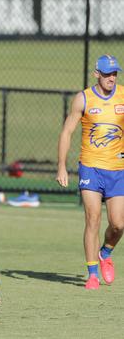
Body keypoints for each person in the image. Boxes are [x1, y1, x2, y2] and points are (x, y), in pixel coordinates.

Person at [56, 54, 124, 290]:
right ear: (97, 74)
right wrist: (62, 166)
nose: (111, 78)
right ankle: (92, 273)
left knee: (118, 224)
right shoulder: (83, 99)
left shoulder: (123, 96)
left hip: (118, 169)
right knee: (93, 218)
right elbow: (67, 132)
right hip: (91, 168)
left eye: (114, 73)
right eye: (107, 74)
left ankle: (105, 252)